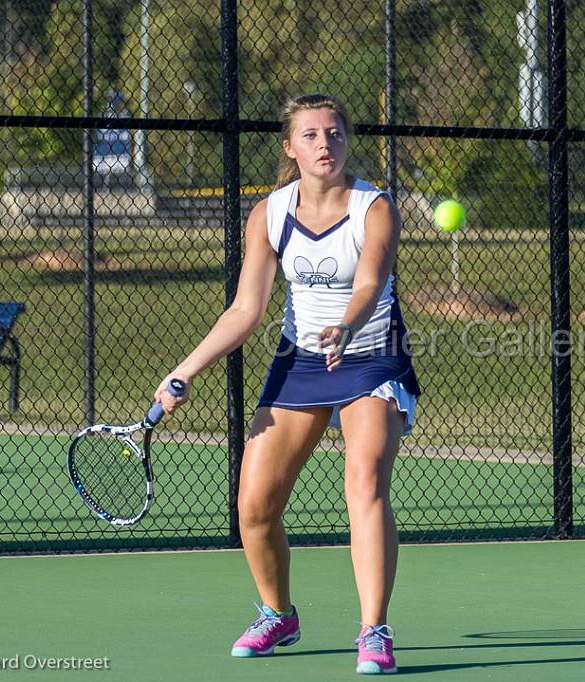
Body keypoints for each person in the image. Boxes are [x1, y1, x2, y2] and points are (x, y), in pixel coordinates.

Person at [154, 92, 420, 675]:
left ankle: (374, 630)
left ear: (347, 140)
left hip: (372, 353)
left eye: (334, 133)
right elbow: (246, 310)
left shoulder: (374, 207)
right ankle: (278, 614)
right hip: (300, 360)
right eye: (311, 135)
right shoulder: (269, 213)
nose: (325, 144)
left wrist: (346, 328)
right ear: (289, 147)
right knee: (254, 506)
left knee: (365, 480)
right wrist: (184, 370)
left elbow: (371, 281)